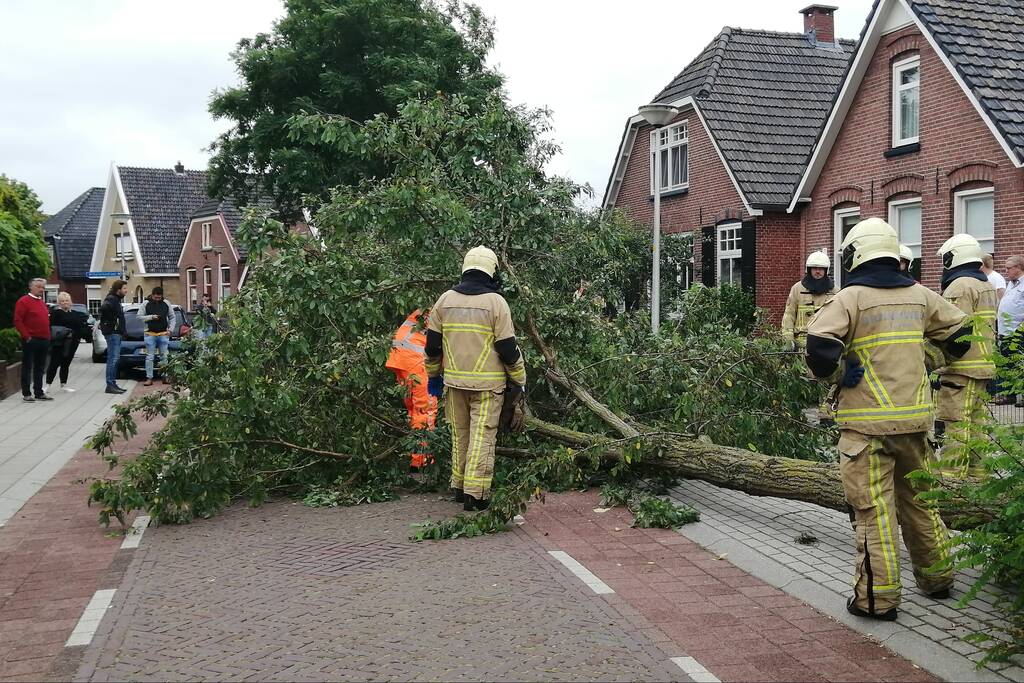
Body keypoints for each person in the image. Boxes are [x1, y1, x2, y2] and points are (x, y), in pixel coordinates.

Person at [805, 218, 973, 621]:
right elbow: (961, 338)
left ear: (855, 254)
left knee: (874, 512)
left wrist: (839, 371)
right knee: (921, 504)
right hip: (916, 424)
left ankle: (877, 600)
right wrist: (929, 359)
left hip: (866, 430)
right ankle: (938, 580)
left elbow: (818, 349)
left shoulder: (850, 298)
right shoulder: (921, 295)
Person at [425, 246, 527, 512]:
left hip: (454, 383)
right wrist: (519, 380)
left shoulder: (445, 300)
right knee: (482, 437)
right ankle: (476, 494)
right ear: (492, 270)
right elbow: (507, 348)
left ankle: (459, 487)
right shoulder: (496, 303)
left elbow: (432, 346)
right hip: (488, 385)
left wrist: (433, 375)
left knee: (460, 436)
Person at [932, 235, 998, 476]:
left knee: (956, 426)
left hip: (961, 368)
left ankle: (953, 483)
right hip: (982, 366)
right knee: (977, 426)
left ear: (954, 257)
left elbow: (950, 328)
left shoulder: (960, 286)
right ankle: (979, 479)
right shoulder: (986, 284)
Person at [386, 309, 439, 469]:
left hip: (402, 358)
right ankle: (423, 461)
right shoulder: (445, 308)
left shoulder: (432, 305)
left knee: (414, 410)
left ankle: (415, 457)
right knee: (426, 410)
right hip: (416, 361)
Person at [781, 250, 837, 350]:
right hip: (801, 347)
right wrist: (788, 340)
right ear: (809, 269)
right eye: (815, 268)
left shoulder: (836, 291)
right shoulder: (797, 289)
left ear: (826, 270)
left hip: (826, 345)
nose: (818, 271)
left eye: (821, 268)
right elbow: (789, 315)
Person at [12, 278, 53, 402]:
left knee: (40, 367)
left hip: (44, 339)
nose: (41, 289)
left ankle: (39, 392)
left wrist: (48, 336)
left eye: (43, 287)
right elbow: (18, 320)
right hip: (31, 339)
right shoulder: (24, 301)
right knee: (28, 366)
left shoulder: (41, 303)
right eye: (39, 287)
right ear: (31, 287)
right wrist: (27, 336)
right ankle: (26, 393)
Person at [45, 292, 89, 393]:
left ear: (70, 302)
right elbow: (51, 327)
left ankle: (63, 384)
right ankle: (48, 384)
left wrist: (81, 337)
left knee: (66, 363)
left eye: (67, 301)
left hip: (72, 342)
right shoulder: (56, 313)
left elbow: (80, 327)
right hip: (59, 342)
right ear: (59, 303)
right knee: (54, 363)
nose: (65, 303)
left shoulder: (74, 314)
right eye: (62, 301)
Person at [995, 255, 1024, 407]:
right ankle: (1009, 395)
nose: (1006, 272)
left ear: (1018, 267)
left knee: (1019, 364)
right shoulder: (1011, 284)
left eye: (1009, 268)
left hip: (1018, 332)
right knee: (1006, 364)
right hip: (1005, 331)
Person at [137, 286, 179, 386]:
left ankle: (165, 376)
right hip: (149, 333)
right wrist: (151, 317)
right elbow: (139, 317)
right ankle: (149, 378)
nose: (157, 299)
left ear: (162, 296)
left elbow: (172, 317)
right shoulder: (145, 304)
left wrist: (171, 329)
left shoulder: (166, 303)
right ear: (152, 295)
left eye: (159, 298)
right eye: (155, 297)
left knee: (164, 356)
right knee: (150, 357)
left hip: (163, 334)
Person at [99, 280, 129, 394]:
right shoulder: (112, 299)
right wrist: (113, 323)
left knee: (114, 359)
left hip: (115, 332)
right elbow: (104, 308)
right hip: (113, 333)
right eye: (124, 288)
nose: (126, 291)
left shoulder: (115, 299)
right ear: (118, 289)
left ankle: (113, 383)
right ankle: (110, 385)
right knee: (113, 359)